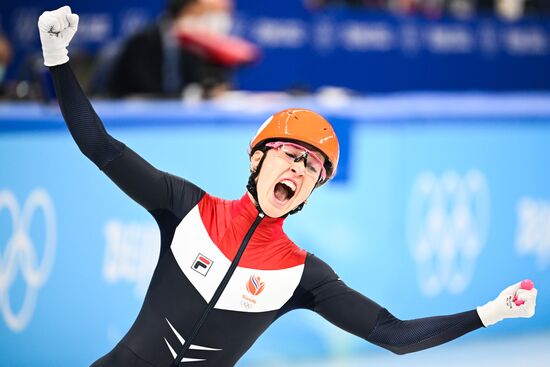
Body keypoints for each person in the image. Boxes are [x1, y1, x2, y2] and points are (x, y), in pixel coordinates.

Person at [38, 6, 538, 367]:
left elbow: (394, 335)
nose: (299, 170)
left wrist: (491, 312)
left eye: (313, 169)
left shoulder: (303, 274)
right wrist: (57, 58)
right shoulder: (187, 208)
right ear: (258, 158)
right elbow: (98, 145)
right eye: (292, 155)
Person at [104, 0, 233, 98]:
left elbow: (216, 85)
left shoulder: (204, 47)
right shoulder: (146, 41)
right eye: (212, 12)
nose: (220, 19)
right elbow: (148, 92)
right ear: (189, 9)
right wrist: (197, 95)